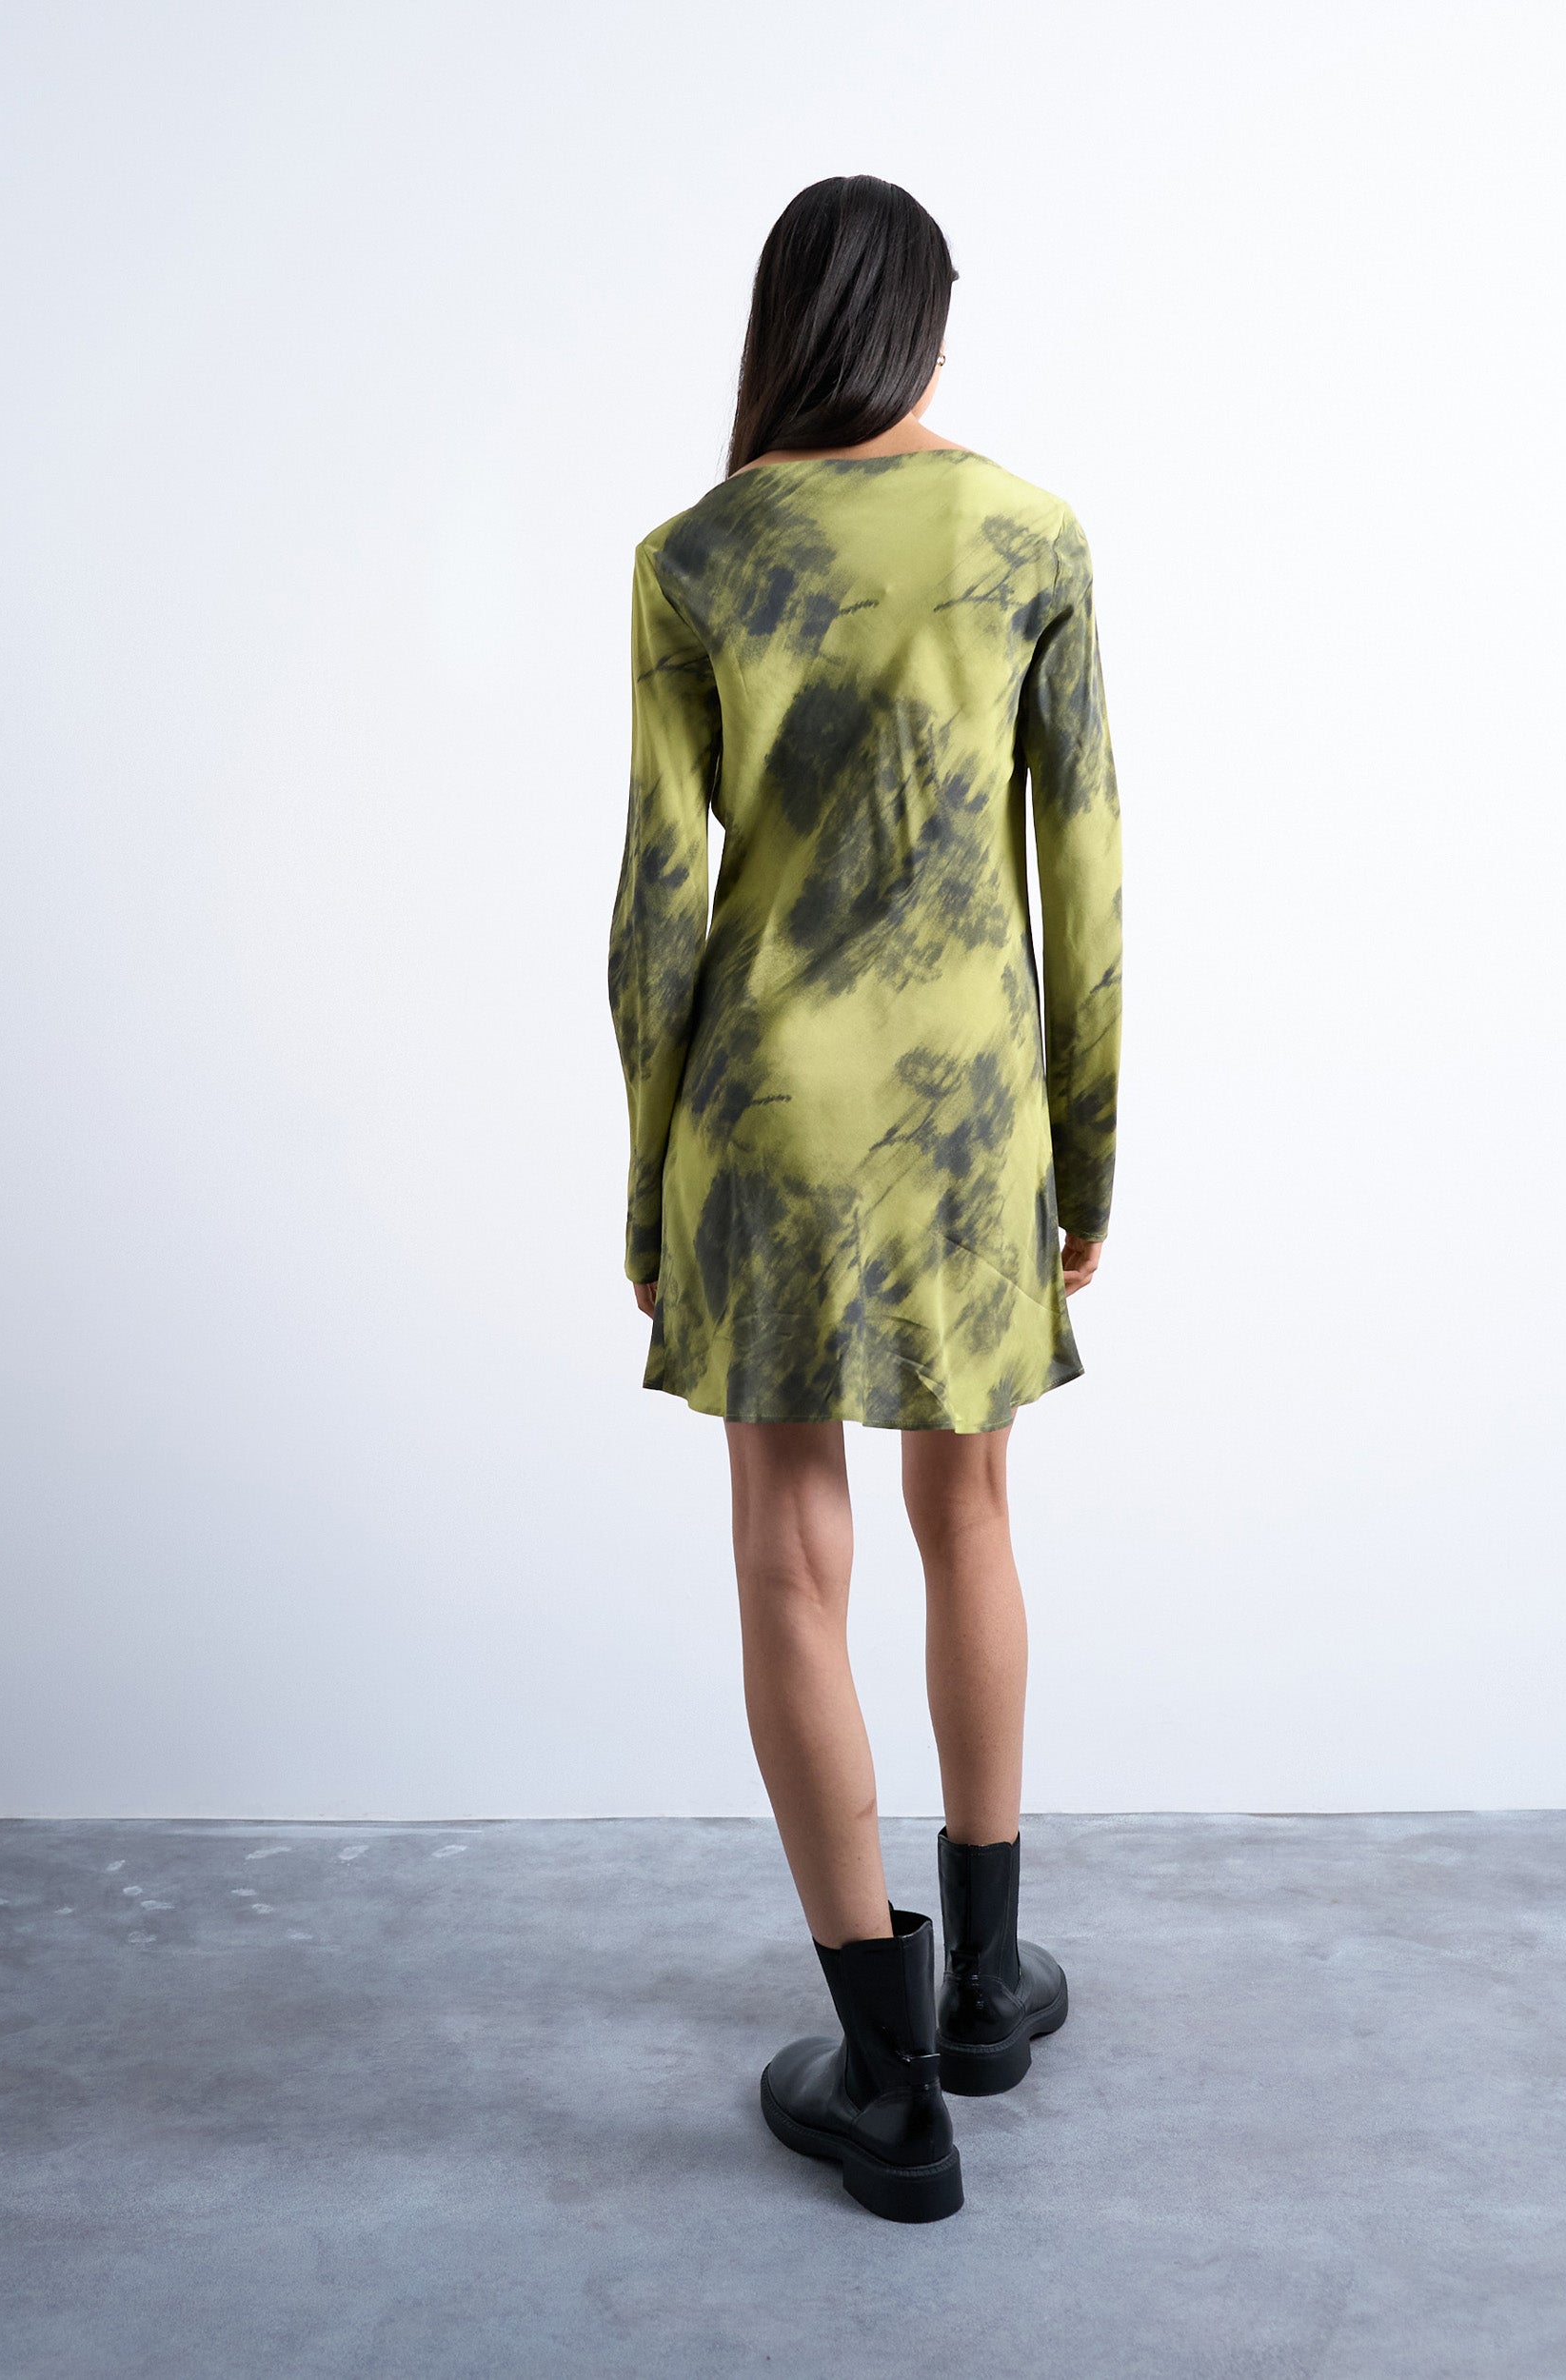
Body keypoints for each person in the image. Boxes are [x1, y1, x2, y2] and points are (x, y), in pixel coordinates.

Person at [606, 174, 1121, 2223]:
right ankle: (987, 1984)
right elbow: (1082, 871)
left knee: (785, 1559)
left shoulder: (692, 556)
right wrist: (1087, 1146)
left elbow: (658, 910)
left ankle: (888, 2083)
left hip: (757, 1115)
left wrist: (648, 1183)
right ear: (923, 320)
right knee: (967, 1507)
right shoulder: (1028, 534)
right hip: (968, 1112)